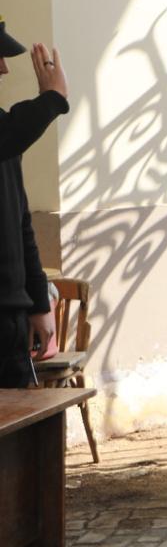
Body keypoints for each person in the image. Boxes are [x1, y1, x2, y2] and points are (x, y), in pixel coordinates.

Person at [0, 22, 67, 390]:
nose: (4, 69)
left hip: (11, 323)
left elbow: (21, 221)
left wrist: (40, 303)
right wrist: (52, 100)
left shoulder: (7, 139)